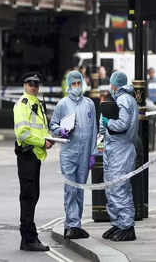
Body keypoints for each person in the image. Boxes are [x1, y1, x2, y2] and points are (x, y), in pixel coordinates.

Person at [49, 70, 97, 239]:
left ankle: (76, 224)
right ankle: (71, 224)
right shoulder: (62, 104)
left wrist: (93, 153)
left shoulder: (89, 104)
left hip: (85, 153)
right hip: (69, 152)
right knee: (71, 189)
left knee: (80, 188)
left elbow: (94, 130)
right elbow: (52, 126)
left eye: (79, 83)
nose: (77, 86)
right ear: (69, 85)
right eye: (74, 84)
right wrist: (61, 131)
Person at [13, 72, 53, 251]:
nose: (34, 87)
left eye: (36, 84)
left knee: (33, 196)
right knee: (28, 197)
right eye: (30, 84)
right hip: (27, 154)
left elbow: (40, 129)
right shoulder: (23, 104)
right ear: (24, 85)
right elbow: (23, 133)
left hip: (35, 155)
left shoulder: (37, 103)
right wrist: (41, 142)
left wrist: (48, 140)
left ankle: (28, 238)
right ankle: (29, 238)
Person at [100, 71, 138, 242]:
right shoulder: (123, 99)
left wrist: (108, 123)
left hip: (121, 150)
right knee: (113, 188)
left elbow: (122, 124)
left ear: (115, 85)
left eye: (111, 84)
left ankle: (127, 226)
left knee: (119, 189)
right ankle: (118, 222)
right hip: (116, 149)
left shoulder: (123, 100)